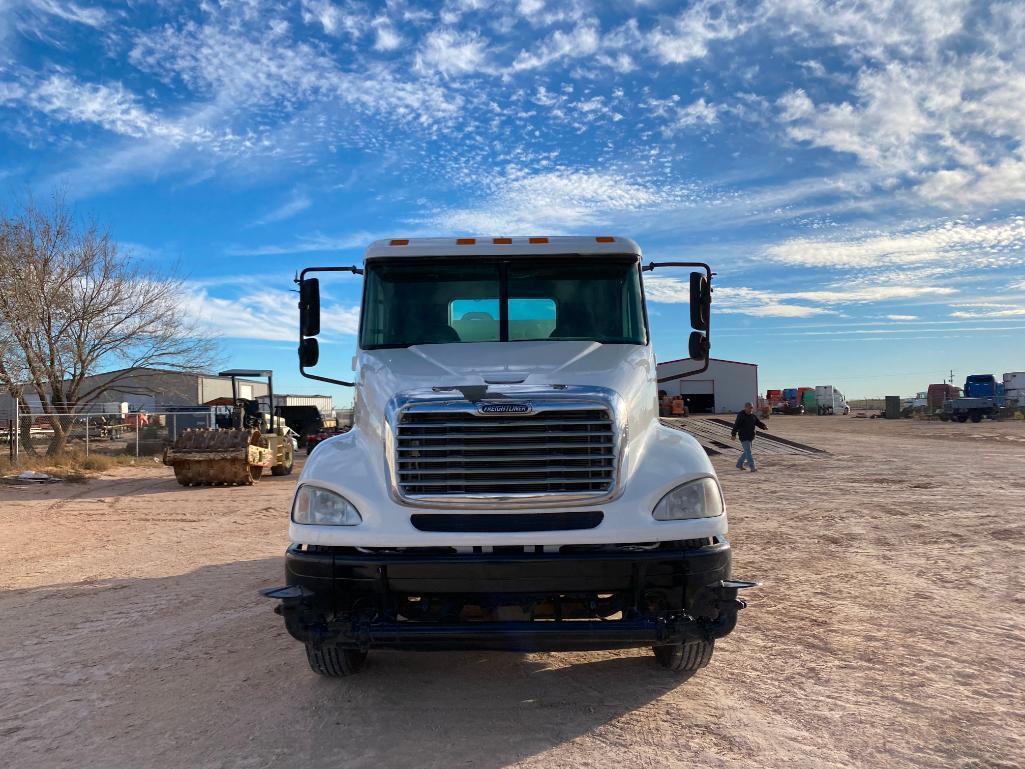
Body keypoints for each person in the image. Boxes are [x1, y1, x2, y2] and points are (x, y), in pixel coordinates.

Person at [731, 402, 767, 472]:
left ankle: (739, 464)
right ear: (745, 408)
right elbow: (736, 425)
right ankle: (752, 467)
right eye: (750, 407)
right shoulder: (741, 415)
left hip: (751, 436)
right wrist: (733, 434)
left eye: (752, 408)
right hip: (743, 436)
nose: (751, 409)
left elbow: (757, 422)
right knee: (748, 452)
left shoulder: (753, 416)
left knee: (746, 452)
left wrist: (763, 426)